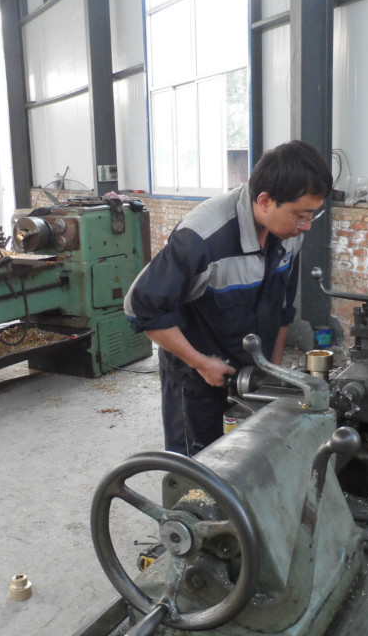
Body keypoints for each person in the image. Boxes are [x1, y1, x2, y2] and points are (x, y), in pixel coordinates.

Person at [124, 140, 333, 456]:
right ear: (265, 201)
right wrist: (200, 363)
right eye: (300, 216)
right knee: (197, 467)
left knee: (248, 458)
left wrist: (273, 368)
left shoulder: (290, 236)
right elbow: (141, 307)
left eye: (312, 216)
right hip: (198, 379)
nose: (306, 227)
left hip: (252, 375)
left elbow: (283, 306)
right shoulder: (202, 238)